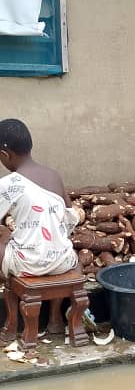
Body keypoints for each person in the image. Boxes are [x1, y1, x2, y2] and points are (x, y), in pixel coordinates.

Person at [0, 119, 78, 287]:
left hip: (28, 265)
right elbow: (71, 219)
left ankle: (13, 304)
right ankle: (55, 313)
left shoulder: (8, 184)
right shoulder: (54, 176)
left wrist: (6, 237)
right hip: (63, 261)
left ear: (5, 155)